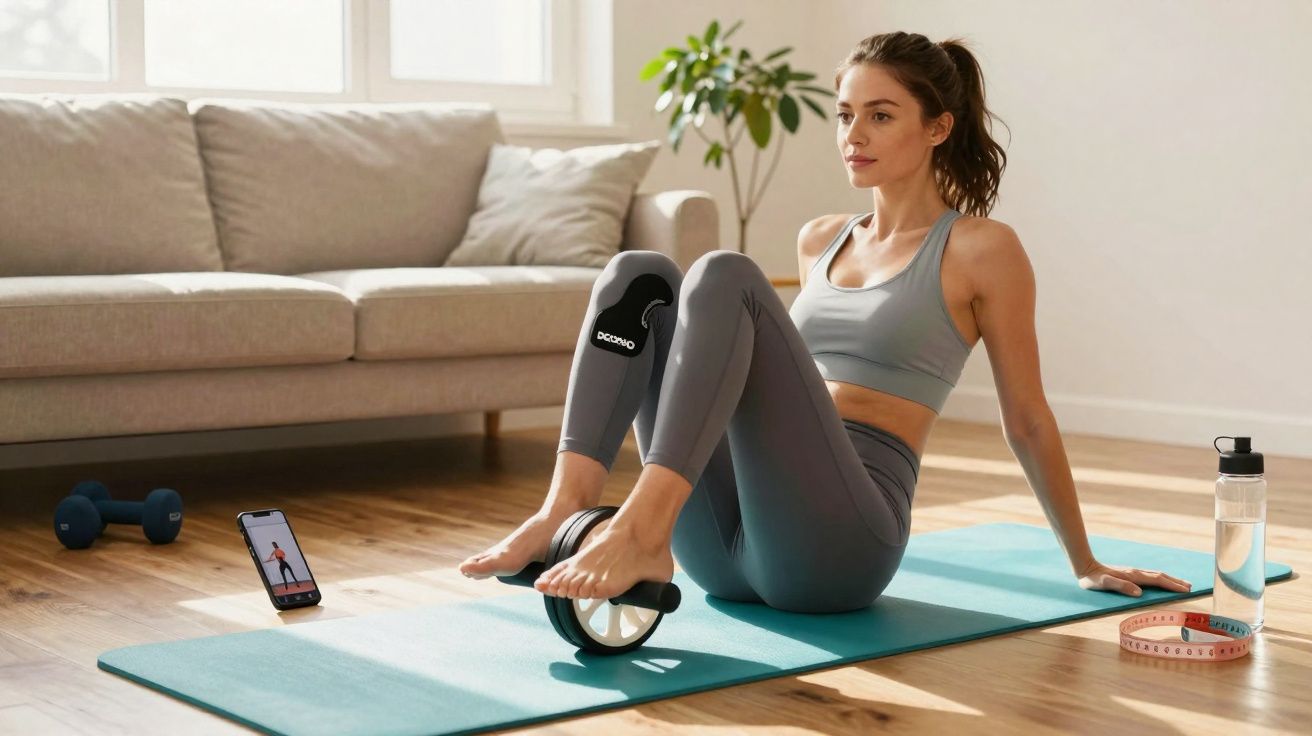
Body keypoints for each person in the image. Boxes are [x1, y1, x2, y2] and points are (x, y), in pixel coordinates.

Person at [459, 31, 1192, 611]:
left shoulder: (980, 250)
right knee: (638, 278)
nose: (854, 134)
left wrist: (1084, 561)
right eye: (845, 115)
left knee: (723, 273)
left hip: (838, 545)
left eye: (880, 115)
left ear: (938, 128)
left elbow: (1027, 419)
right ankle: (564, 512)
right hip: (727, 546)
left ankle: (642, 528)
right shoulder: (820, 238)